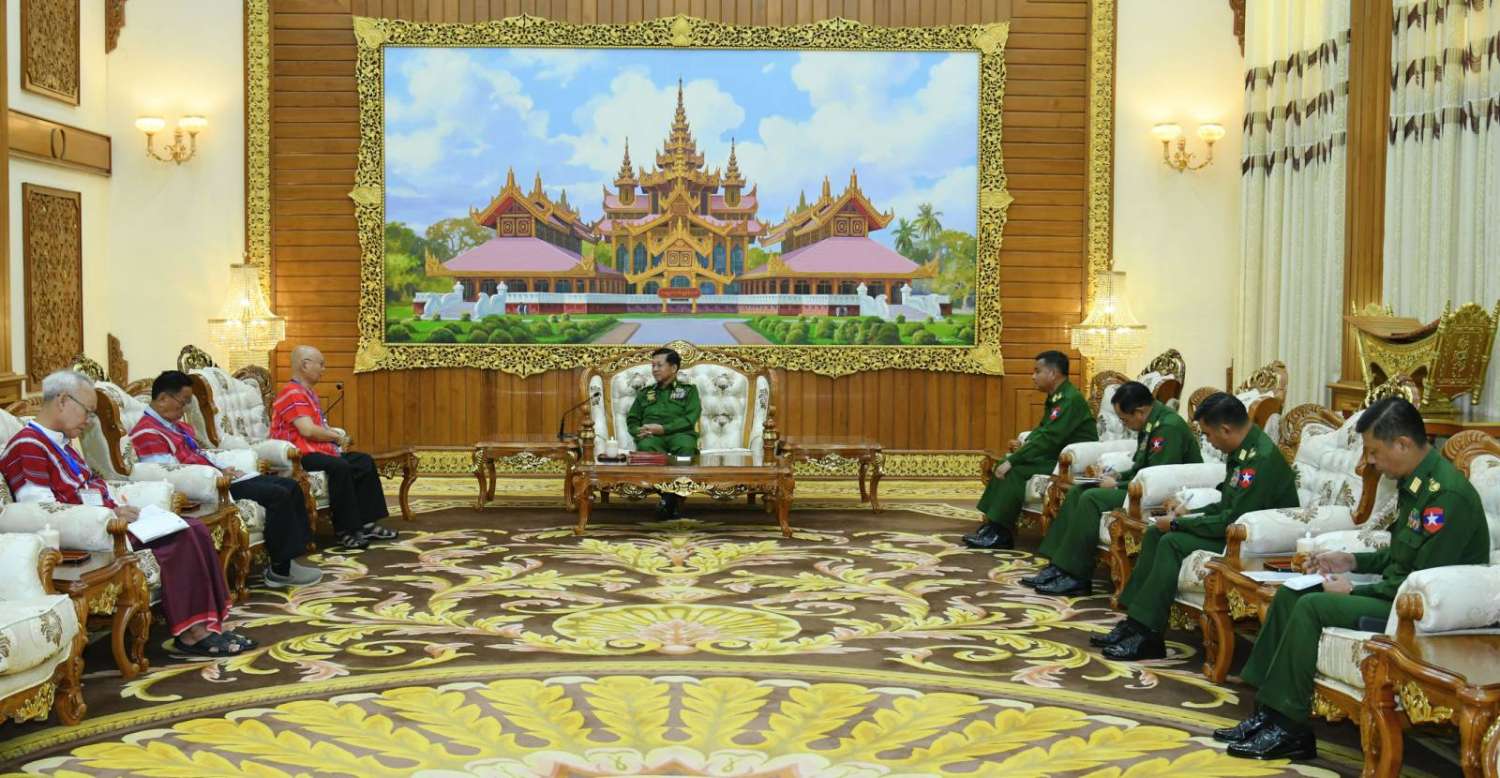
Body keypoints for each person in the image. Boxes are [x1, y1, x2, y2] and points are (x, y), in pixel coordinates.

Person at [1221, 397, 1488, 760]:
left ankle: (1290, 729)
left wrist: (1352, 589)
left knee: (1312, 606)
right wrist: (1350, 560)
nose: (1370, 462)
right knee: (1289, 595)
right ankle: (1267, 713)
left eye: (1374, 452)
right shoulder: (1417, 484)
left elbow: (1425, 583)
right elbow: (1401, 555)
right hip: (1396, 594)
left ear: (1402, 443)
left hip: (1415, 613)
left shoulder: (1446, 496)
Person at [0, 370, 252, 657]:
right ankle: (193, 635)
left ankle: (208, 625)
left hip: (108, 521)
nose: (88, 421)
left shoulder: (59, 441)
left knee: (193, 527)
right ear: (62, 401)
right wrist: (106, 515)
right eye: (87, 411)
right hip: (87, 534)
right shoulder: (29, 446)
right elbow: (39, 511)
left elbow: (87, 486)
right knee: (181, 538)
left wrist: (117, 507)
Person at [1099, 392, 1298, 660]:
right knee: (1156, 532)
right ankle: (1135, 623)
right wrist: (1190, 513)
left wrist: (1179, 523)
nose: (1208, 442)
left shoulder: (1259, 459)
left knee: (1172, 541)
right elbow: (1226, 506)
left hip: (1251, 542)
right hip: (1235, 528)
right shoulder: (1243, 449)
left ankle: (1149, 635)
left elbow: (1232, 519)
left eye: (1208, 434)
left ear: (1225, 429)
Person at [131, 370, 321, 588]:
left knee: (290, 485)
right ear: (163, 398)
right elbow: (168, 472)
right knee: (277, 494)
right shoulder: (147, 433)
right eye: (183, 402)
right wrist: (217, 474)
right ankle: (281, 570)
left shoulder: (174, 426)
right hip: (205, 488)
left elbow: (199, 454)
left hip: (217, 477)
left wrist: (223, 467)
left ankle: (291, 559)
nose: (184, 409)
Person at [1024, 381, 1202, 596]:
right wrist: (1118, 476)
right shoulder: (1152, 422)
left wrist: (1117, 485)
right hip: (1143, 487)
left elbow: (1159, 477)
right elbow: (1141, 468)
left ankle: (1076, 577)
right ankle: (1058, 566)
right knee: (1078, 491)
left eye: (1125, 419)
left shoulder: (1167, 427)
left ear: (1140, 411)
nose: (1124, 425)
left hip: (1160, 496)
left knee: (1091, 498)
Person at [965, 350, 1097, 550]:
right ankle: (993, 525)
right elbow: (1043, 430)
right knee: (1005, 463)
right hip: (1053, 455)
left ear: (1053, 374)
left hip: (1069, 464)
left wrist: (1015, 459)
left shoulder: (1069, 400)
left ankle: (1001, 533)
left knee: (1015, 470)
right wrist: (1022, 448)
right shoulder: (1058, 396)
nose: (1033, 376)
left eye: (1037, 371)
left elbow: (1049, 438)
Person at [270, 345, 394, 550]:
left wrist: (334, 438)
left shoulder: (308, 393)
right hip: (299, 455)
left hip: (318, 450)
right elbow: (307, 430)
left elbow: (320, 426)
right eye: (321, 364)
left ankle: (367, 524)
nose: (323, 369)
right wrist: (337, 438)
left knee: (363, 461)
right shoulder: (291, 392)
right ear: (305, 365)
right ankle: (346, 530)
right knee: (339, 467)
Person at [627, 347, 701, 518]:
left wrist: (664, 429)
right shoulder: (645, 393)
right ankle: (671, 500)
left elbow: (690, 418)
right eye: (653, 366)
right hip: (652, 437)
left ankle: (668, 501)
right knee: (646, 447)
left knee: (686, 449)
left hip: (680, 435)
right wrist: (639, 431)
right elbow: (632, 419)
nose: (654, 370)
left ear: (673, 368)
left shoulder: (689, 390)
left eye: (659, 365)